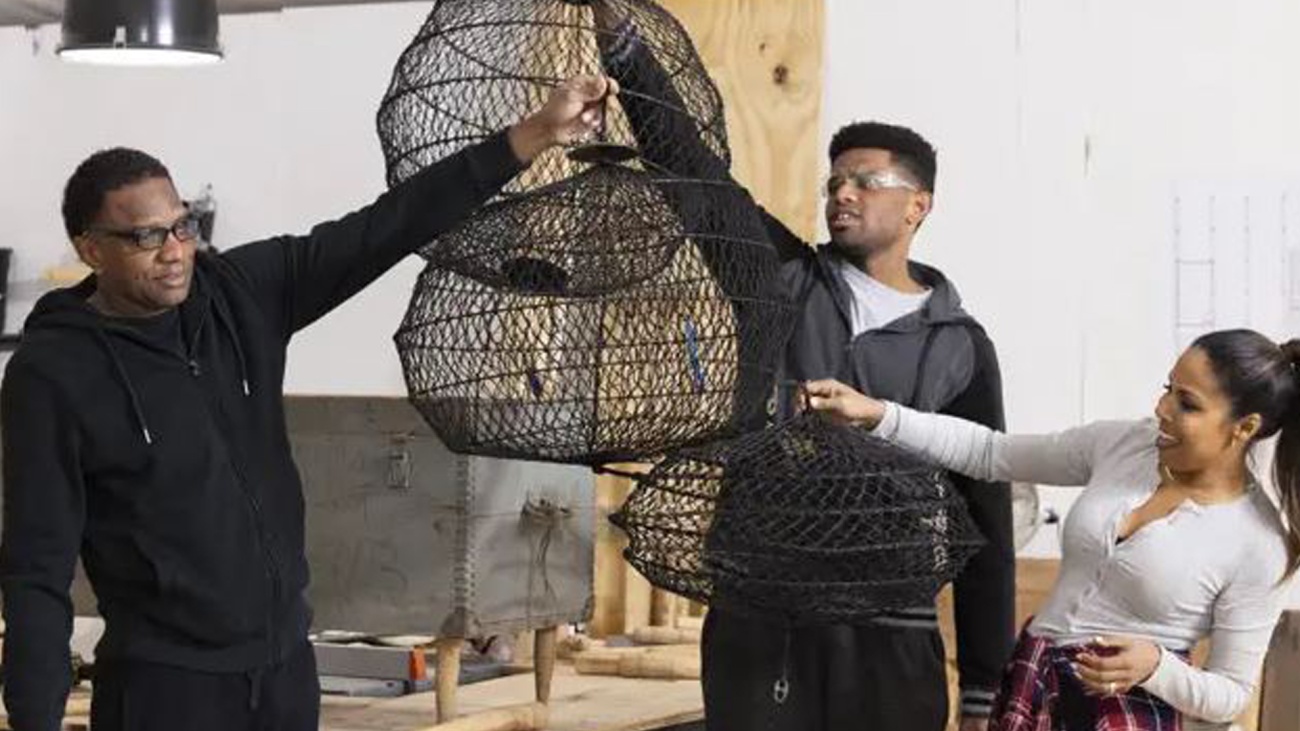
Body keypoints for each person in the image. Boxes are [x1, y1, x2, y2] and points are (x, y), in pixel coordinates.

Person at [0, 75, 618, 731]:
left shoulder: (241, 296)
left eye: (181, 226)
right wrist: (35, 717)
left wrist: (534, 134)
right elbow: (37, 565)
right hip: (166, 689)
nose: (175, 252)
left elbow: (387, 226)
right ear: (90, 249)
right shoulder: (54, 374)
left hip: (285, 675)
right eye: (146, 237)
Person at [593, 11, 1015, 730]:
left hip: (892, 633)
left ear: (918, 205)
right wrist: (626, 53)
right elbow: (696, 177)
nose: (842, 193)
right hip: (762, 622)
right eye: (835, 180)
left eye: (867, 181)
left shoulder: (961, 347)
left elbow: (987, 519)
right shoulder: (778, 280)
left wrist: (983, 687)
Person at [805, 328, 1300, 730]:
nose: (1162, 409)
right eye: (1168, 389)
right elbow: (990, 452)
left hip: (1124, 716)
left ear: (1245, 427)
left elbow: (1231, 694)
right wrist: (876, 414)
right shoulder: (1127, 445)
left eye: (1188, 403)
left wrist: (1157, 665)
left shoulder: (1259, 545)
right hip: (1033, 683)